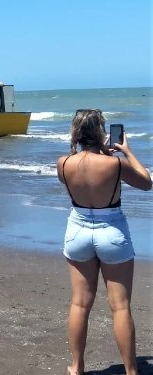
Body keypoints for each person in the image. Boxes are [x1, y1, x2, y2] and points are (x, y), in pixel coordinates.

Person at [56, 109, 151, 375]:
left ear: (76, 133)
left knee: (79, 303)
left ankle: (76, 367)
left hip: (78, 229)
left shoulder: (63, 163)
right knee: (120, 306)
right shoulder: (114, 164)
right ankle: (131, 371)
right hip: (111, 230)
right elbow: (146, 182)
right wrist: (127, 152)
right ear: (101, 133)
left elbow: (83, 178)